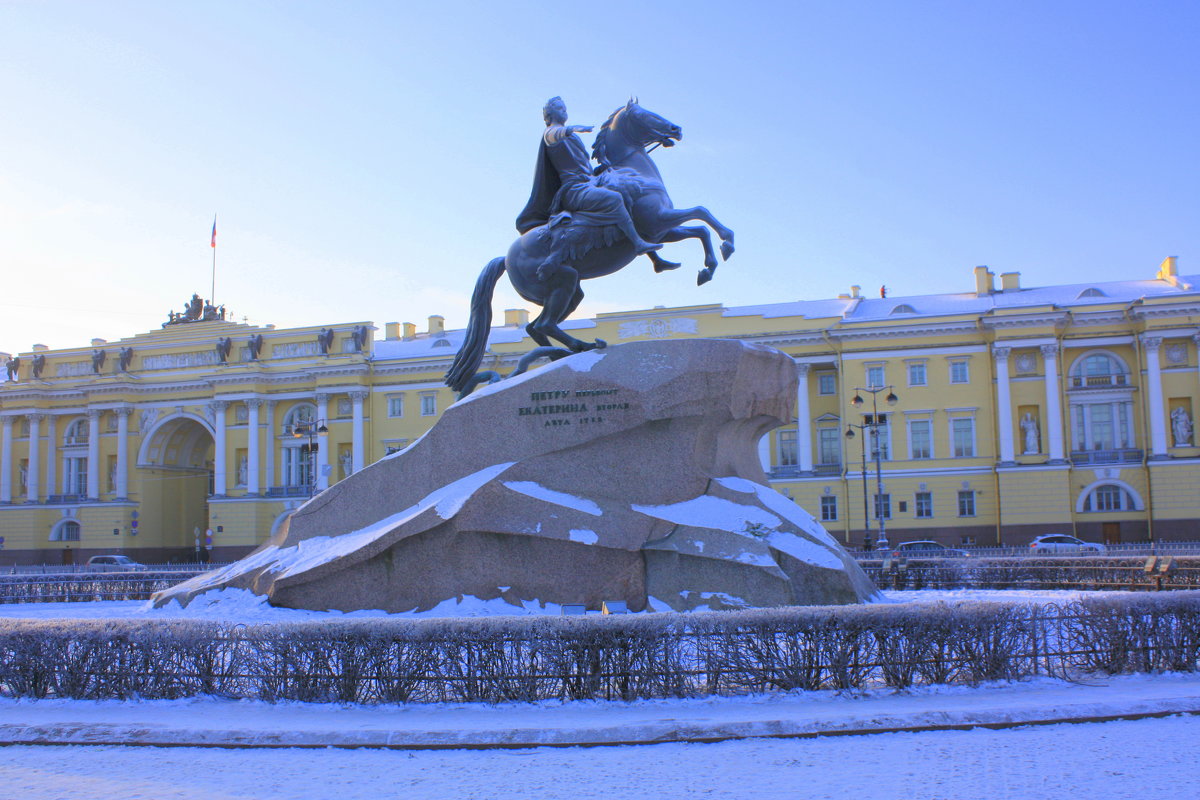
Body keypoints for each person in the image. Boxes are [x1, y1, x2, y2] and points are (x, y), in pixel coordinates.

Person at [517, 97, 659, 280]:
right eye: (560, 108)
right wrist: (570, 129)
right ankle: (639, 243)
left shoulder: (569, 136)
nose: (564, 111)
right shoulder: (552, 133)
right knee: (614, 199)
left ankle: (655, 258)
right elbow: (552, 135)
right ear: (550, 114)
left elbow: (583, 167)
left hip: (588, 183)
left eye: (565, 108)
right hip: (574, 190)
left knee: (627, 190)